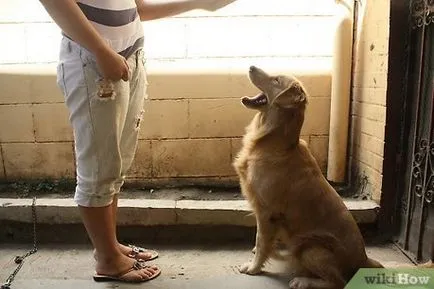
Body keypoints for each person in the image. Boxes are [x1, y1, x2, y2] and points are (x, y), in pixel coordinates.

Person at [39, 0, 237, 283]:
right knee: (98, 167)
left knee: (114, 164)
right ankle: (108, 260)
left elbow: (137, 9)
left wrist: (199, 4)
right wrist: (101, 50)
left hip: (128, 57)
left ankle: (109, 246)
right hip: (94, 61)